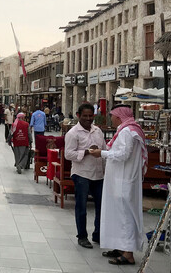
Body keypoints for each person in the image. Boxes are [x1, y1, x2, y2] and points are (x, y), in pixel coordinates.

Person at [88, 104, 147, 266]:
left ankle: (128, 253)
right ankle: (121, 247)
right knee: (118, 215)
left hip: (124, 181)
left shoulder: (128, 131)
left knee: (125, 216)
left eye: (112, 116)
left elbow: (123, 154)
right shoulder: (126, 129)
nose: (111, 118)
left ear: (119, 116)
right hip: (119, 180)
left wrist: (102, 153)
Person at [64, 103, 106, 249]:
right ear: (78, 116)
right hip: (82, 173)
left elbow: (104, 150)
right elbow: (68, 154)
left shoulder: (98, 131)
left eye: (90, 116)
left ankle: (98, 234)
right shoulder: (73, 133)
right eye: (85, 116)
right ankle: (82, 236)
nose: (88, 119)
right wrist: (87, 152)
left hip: (98, 174)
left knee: (101, 206)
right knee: (81, 207)